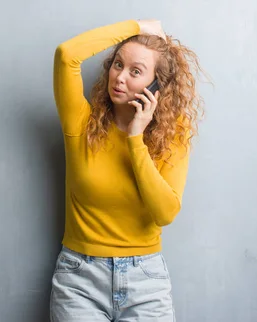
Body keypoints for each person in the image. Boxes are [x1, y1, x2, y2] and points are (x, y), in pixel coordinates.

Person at [49, 19, 205, 321]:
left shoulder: (174, 133)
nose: (119, 77)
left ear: (156, 85)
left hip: (145, 280)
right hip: (79, 279)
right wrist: (137, 27)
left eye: (136, 71)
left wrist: (136, 139)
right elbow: (67, 55)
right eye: (117, 64)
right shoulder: (80, 122)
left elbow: (165, 212)